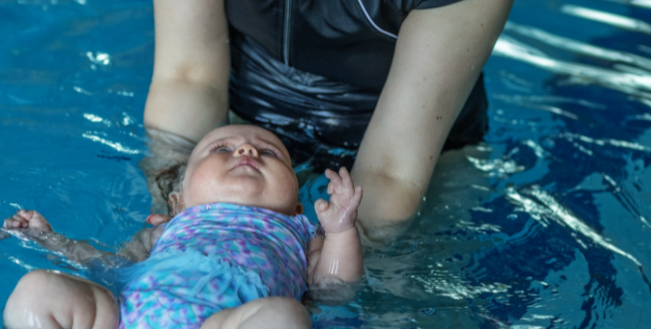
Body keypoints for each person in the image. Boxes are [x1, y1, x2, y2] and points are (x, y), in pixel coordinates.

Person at [0, 125, 363, 329]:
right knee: (40, 287)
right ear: (178, 201)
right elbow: (108, 267)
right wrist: (49, 238)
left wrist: (342, 231)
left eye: (269, 153)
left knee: (287, 317)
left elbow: (333, 287)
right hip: (121, 322)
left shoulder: (299, 231)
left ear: (297, 206)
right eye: (222, 149)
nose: (247, 150)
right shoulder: (168, 228)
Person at [142, 0, 514, 241]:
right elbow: (187, 79)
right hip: (251, 124)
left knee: (399, 323)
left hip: (419, 158)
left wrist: (317, 263)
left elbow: (392, 171)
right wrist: (178, 217)